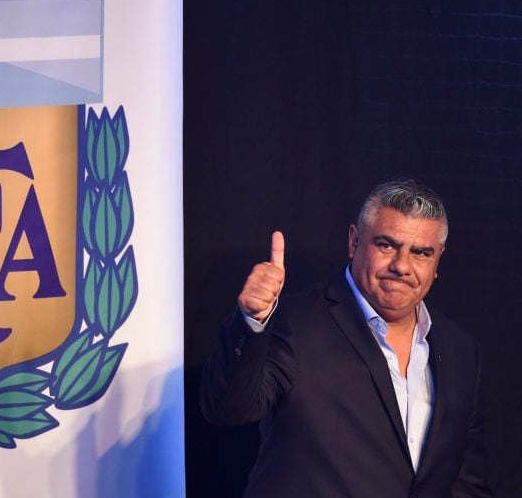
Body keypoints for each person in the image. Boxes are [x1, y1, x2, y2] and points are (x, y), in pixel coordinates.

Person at [200, 179, 493, 497]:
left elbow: (465, 484)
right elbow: (227, 408)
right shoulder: (295, 322)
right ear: (354, 241)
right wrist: (252, 321)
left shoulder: (460, 351)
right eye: (386, 245)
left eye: (421, 253)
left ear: (438, 260)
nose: (401, 266)